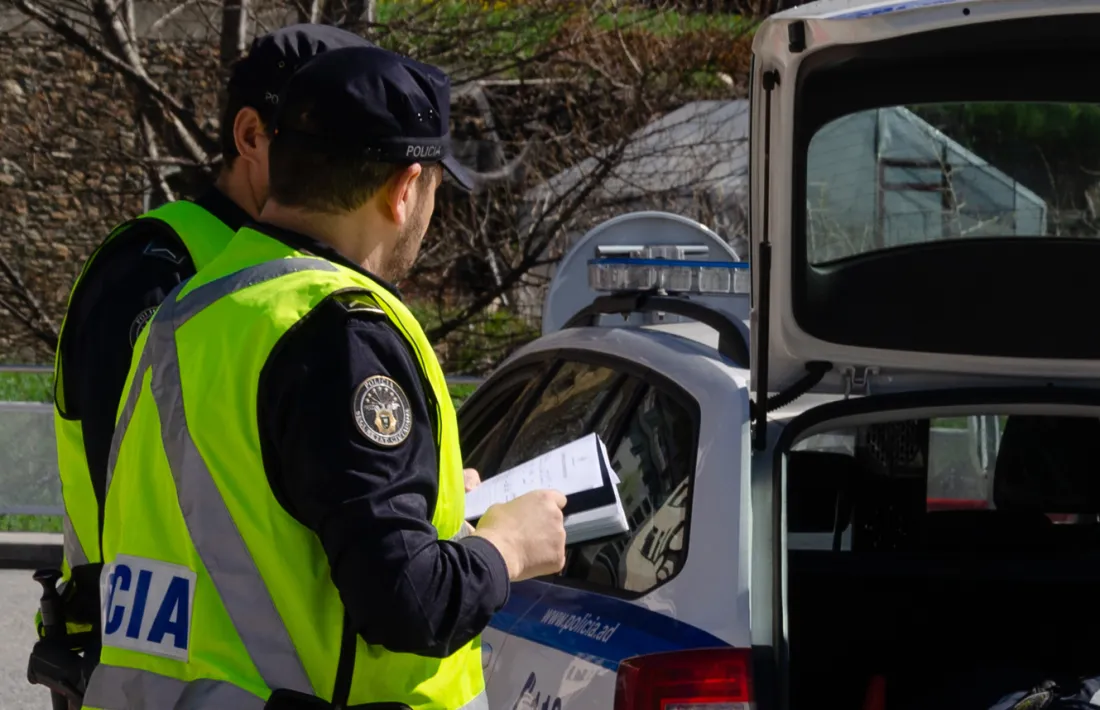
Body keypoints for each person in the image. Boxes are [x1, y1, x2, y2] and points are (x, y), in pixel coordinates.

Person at [82, 45, 567, 710]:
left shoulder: (191, 310)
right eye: (434, 190)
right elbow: (406, 603)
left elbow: (249, 516)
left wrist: (426, 501)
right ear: (404, 189)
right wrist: (507, 546)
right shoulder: (338, 331)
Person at [46, 23, 374, 642]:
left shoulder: (292, 270)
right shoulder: (155, 270)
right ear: (252, 136)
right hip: (140, 660)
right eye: (332, 145)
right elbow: (147, 491)